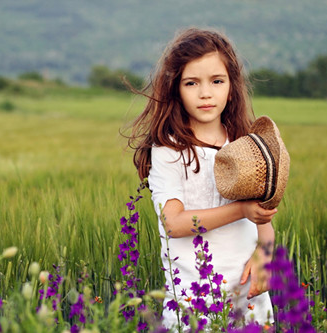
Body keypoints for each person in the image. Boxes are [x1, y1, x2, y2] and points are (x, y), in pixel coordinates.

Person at [127, 27, 276, 328]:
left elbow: (264, 218)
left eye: (217, 81)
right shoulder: (170, 150)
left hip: (248, 300)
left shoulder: (245, 145)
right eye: (192, 83)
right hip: (194, 305)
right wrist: (240, 210)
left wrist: (266, 257)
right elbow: (174, 223)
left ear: (231, 86)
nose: (205, 93)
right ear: (176, 90)